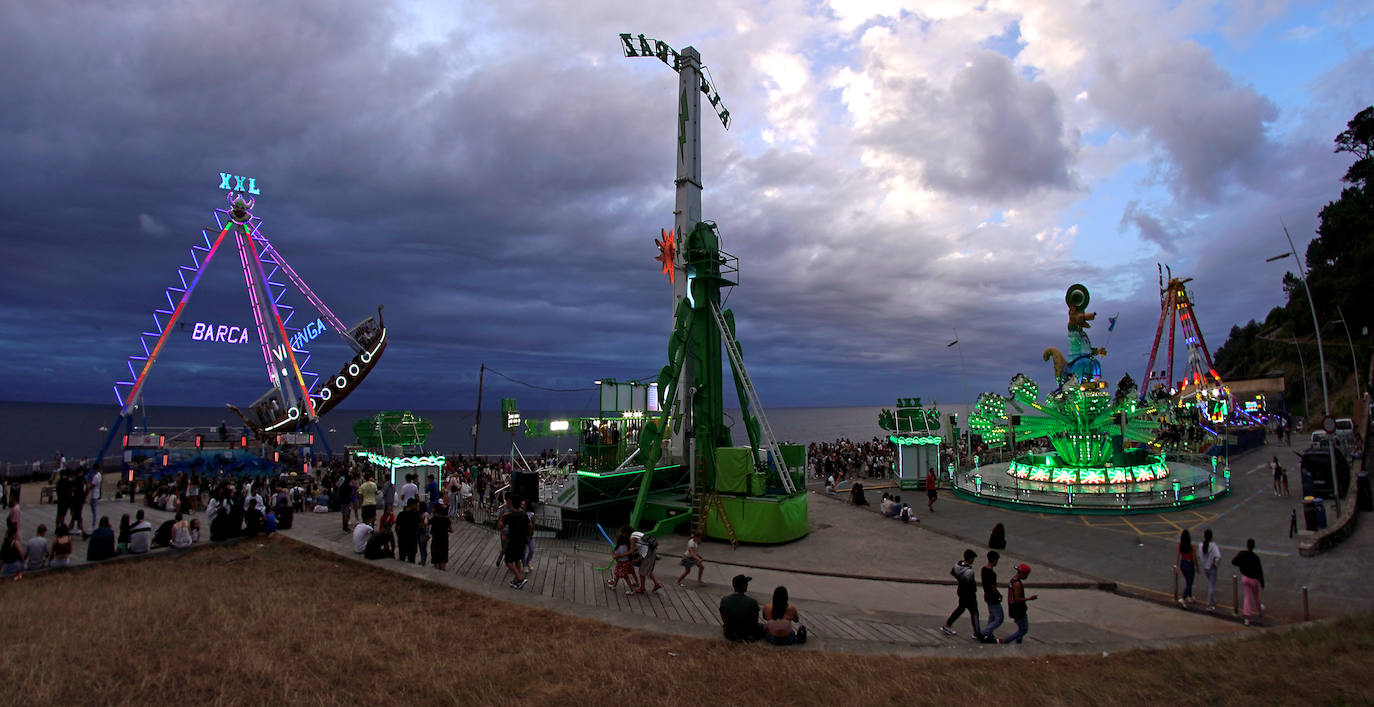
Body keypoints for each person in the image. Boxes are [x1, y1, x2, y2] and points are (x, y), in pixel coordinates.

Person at [942, 549, 981, 638]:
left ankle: (947, 625)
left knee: (961, 609)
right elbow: (971, 585)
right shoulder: (969, 572)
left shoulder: (958, 565)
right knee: (974, 612)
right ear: (970, 559)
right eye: (973, 558)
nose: (974, 560)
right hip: (969, 594)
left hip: (961, 591)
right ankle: (977, 632)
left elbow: (952, 572)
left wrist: (959, 579)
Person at [997, 563, 1037, 644]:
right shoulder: (1017, 584)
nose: (1027, 576)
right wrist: (1029, 598)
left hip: (1013, 608)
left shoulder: (1013, 580)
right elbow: (1017, 599)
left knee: (1021, 628)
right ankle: (1005, 641)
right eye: (1026, 574)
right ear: (1022, 573)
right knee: (1023, 630)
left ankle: (1019, 643)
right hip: (1018, 610)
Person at [719, 574, 764, 641]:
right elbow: (755, 622)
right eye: (746, 584)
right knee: (762, 627)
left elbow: (722, 614)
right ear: (744, 586)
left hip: (729, 632)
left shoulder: (724, 600)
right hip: (746, 633)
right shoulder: (752, 602)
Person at [1231, 538, 1265, 625]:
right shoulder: (1256, 558)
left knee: (1247, 597)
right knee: (1256, 596)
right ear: (1254, 547)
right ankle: (1259, 610)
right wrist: (1262, 582)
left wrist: (1241, 565)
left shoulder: (1242, 554)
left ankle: (1247, 617)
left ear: (1247, 545)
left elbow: (1234, 561)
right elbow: (1259, 571)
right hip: (1253, 579)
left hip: (1245, 578)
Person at [502, 501, 530, 588]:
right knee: (517, 560)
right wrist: (528, 536)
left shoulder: (510, 515)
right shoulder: (524, 515)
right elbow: (530, 526)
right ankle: (517, 580)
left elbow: (500, 525)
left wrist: (501, 517)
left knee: (508, 561)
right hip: (521, 541)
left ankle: (519, 577)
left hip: (512, 541)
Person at [978, 551, 1003, 643]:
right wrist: (999, 595)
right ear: (995, 560)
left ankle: (988, 633)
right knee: (999, 618)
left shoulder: (983, 569)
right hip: (993, 598)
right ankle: (982, 632)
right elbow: (994, 588)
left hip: (987, 595)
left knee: (992, 616)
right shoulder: (992, 574)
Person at [607, 525, 636, 594]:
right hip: (622, 562)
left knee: (625, 577)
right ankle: (614, 586)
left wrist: (614, 555)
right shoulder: (623, 546)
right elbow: (615, 554)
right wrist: (614, 554)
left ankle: (632, 590)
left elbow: (616, 556)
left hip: (624, 563)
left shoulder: (621, 547)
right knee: (617, 575)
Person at [1199, 528, 1221, 612]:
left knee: (1210, 584)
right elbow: (1218, 557)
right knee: (1211, 586)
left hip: (1205, 568)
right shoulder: (1213, 546)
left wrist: (1205, 563)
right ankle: (1209, 604)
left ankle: (1211, 600)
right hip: (1212, 568)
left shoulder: (1200, 545)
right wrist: (1215, 564)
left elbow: (1200, 556)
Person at [1176, 529, 1197, 608]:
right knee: (1189, 582)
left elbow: (1178, 556)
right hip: (1189, 564)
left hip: (1183, 563)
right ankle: (1184, 598)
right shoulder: (1191, 546)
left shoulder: (1180, 545)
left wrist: (1177, 566)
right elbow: (1194, 558)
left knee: (1188, 581)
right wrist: (1197, 568)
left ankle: (1190, 597)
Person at [396, 498, 421, 563]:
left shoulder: (401, 514)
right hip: (412, 539)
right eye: (416, 505)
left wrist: (399, 535)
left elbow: (396, 527)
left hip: (402, 539)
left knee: (402, 557)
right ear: (412, 505)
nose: (416, 507)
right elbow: (420, 526)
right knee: (412, 559)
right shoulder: (416, 515)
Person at [429, 504, 451, 571]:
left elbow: (427, 522)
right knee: (444, 554)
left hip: (435, 539)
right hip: (444, 539)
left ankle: (436, 568)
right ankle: (443, 568)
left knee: (435, 554)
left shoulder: (434, 519)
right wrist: (447, 530)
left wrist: (426, 517)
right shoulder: (446, 519)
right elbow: (452, 530)